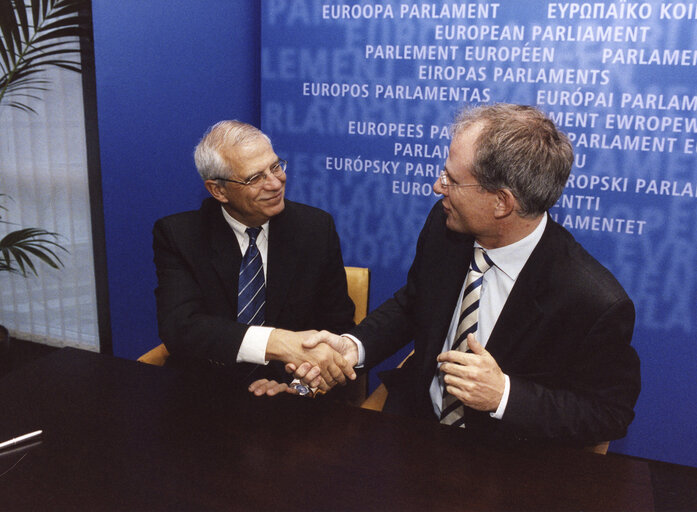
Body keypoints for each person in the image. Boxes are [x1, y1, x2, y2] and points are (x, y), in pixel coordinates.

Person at [295, 104, 641, 445]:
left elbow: (608, 413)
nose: (437, 186)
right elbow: (414, 303)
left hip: (506, 460)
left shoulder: (591, 300)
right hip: (414, 429)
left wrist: (504, 395)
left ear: (502, 202)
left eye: (452, 179)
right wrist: (354, 347)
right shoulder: (445, 227)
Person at [153, 120, 356, 394]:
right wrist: (277, 342)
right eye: (254, 178)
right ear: (218, 190)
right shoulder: (180, 235)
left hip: (290, 395)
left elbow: (337, 326)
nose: (275, 183)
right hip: (204, 392)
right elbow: (181, 328)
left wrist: (300, 385)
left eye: (275, 166)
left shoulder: (315, 229)